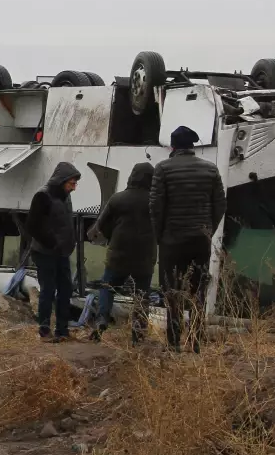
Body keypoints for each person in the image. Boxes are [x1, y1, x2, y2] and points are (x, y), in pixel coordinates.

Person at [150, 126, 226, 353]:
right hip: (199, 240)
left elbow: (155, 206)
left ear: (173, 146)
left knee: (171, 290)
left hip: (171, 240)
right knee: (198, 291)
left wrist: (160, 236)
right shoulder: (211, 169)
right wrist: (207, 231)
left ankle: (173, 343)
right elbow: (220, 205)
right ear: (193, 146)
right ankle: (196, 341)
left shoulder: (162, 168)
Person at [89, 162, 156, 344]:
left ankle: (102, 319)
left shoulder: (118, 199)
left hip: (118, 254)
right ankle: (138, 335)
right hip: (144, 257)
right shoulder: (156, 201)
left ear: (132, 176)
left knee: (107, 287)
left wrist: (113, 236)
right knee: (142, 296)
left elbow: (100, 225)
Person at [27, 162, 82, 341]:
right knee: (48, 290)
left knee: (66, 290)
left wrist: (69, 242)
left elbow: (65, 222)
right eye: (71, 183)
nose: (74, 188)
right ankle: (44, 330)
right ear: (62, 181)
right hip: (45, 252)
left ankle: (62, 330)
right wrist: (52, 243)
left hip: (62, 252)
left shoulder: (65, 196)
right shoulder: (43, 196)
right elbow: (33, 226)